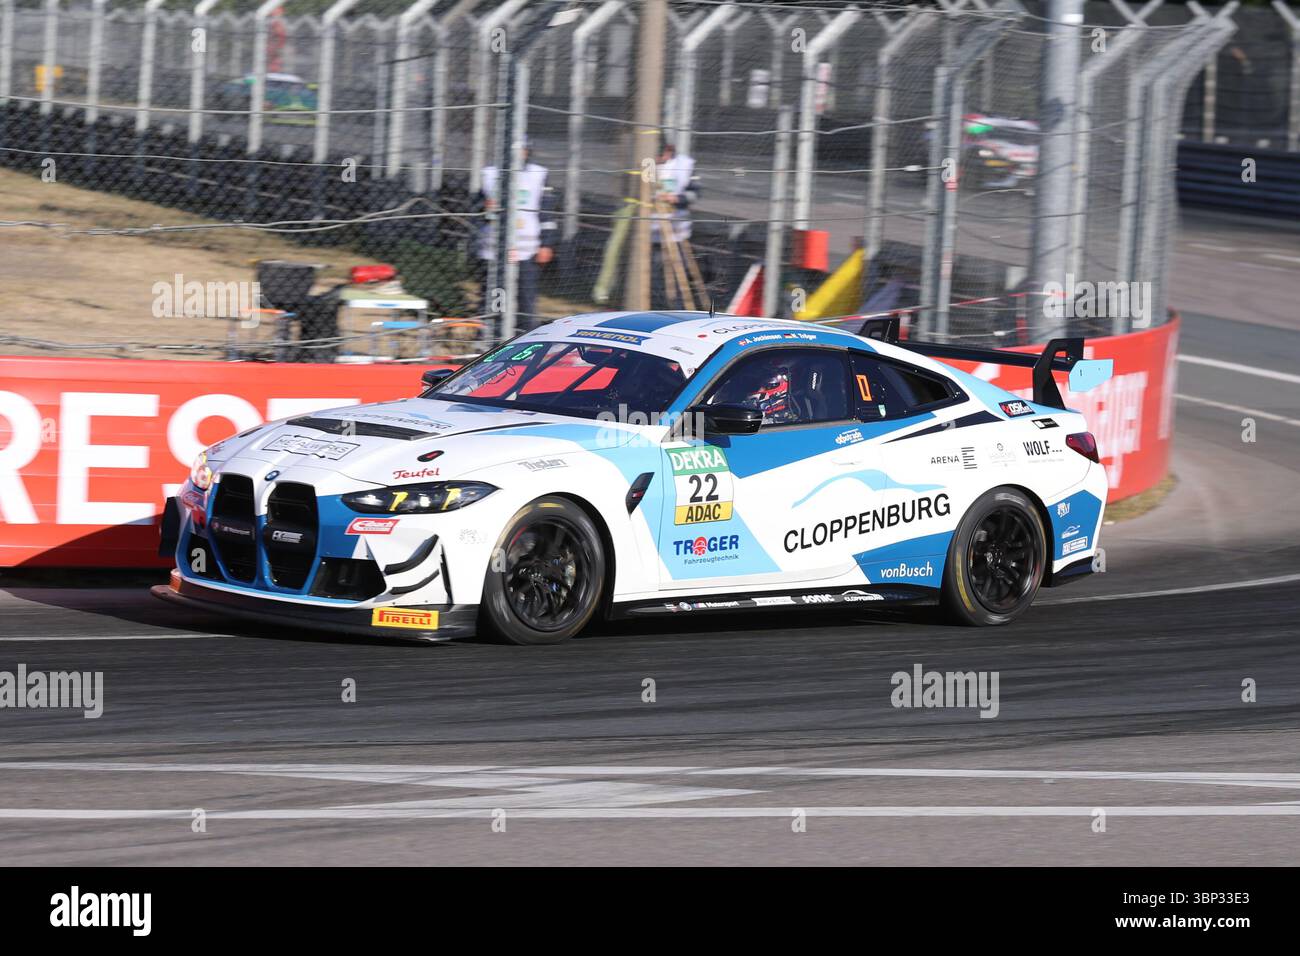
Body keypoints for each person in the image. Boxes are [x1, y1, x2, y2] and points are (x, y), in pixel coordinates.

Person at [476, 144, 556, 330]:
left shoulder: (538, 174)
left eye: (523, 149)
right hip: (494, 249)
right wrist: (484, 207)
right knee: (495, 294)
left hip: (526, 249)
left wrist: (546, 243)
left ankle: (526, 335)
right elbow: (476, 210)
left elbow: (547, 212)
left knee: (526, 297)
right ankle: (492, 335)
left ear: (527, 151)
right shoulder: (490, 174)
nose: (518, 154)